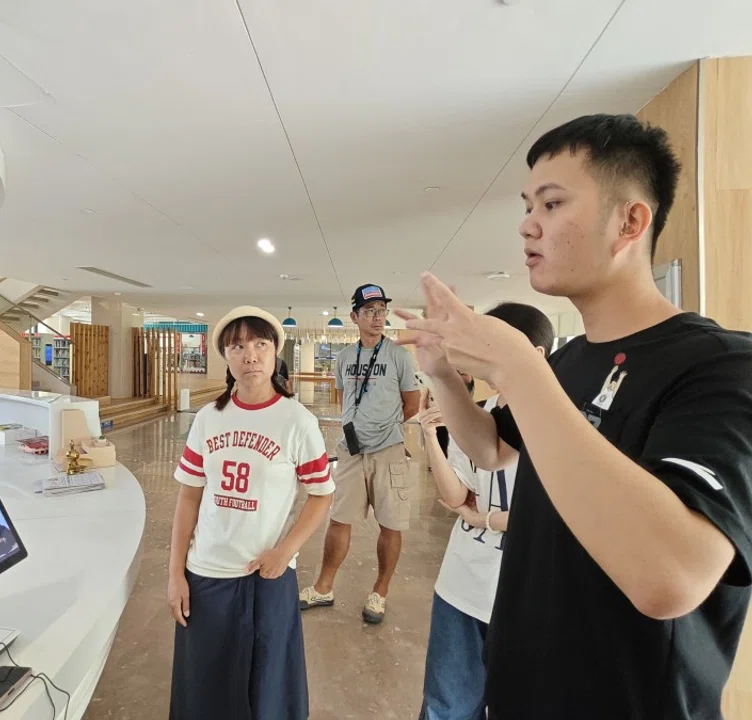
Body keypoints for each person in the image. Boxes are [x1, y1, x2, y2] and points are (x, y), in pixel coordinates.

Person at [398, 114, 752, 719]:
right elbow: (489, 450)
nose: (528, 224)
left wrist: (519, 370)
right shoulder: (567, 361)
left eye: (553, 203)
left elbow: (671, 577)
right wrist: (439, 371)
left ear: (630, 221)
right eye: (528, 204)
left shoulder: (721, 366)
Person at [168, 306, 335, 720]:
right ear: (225, 355)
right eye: (237, 346)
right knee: (204, 686)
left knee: (268, 689)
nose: (250, 355)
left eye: (260, 344)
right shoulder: (209, 418)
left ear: (276, 352)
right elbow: (189, 497)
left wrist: (285, 551)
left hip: (266, 576)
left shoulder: (298, 421)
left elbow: (321, 495)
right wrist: (175, 573)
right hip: (206, 573)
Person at [417, 302, 554, 720]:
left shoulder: (567, 421)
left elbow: (567, 517)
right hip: (463, 585)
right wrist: (431, 436)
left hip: (534, 594)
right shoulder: (479, 417)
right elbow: (458, 497)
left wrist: (489, 519)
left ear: (536, 354)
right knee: (446, 708)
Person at [300, 283, 420, 624]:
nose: (377, 317)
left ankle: (380, 591)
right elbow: (342, 398)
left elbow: (411, 403)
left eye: (381, 310)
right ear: (354, 316)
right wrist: (358, 429)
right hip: (351, 450)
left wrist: (384, 429)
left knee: (390, 523)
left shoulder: (399, 355)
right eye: (370, 311)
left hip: (389, 450)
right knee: (339, 518)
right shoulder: (343, 358)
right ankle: (324, 586)